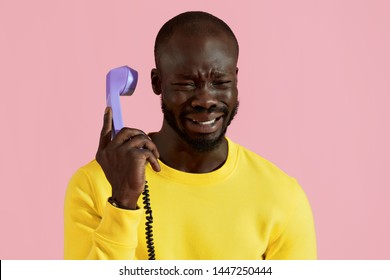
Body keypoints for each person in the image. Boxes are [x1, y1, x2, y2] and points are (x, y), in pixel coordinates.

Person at [64, 11, 317, 260]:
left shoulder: (282, 196)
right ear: (157, 83)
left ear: (236, 80)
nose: (206, 100)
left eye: (220, 83)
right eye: (186, 83)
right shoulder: (94, 184)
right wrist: (123, 202)